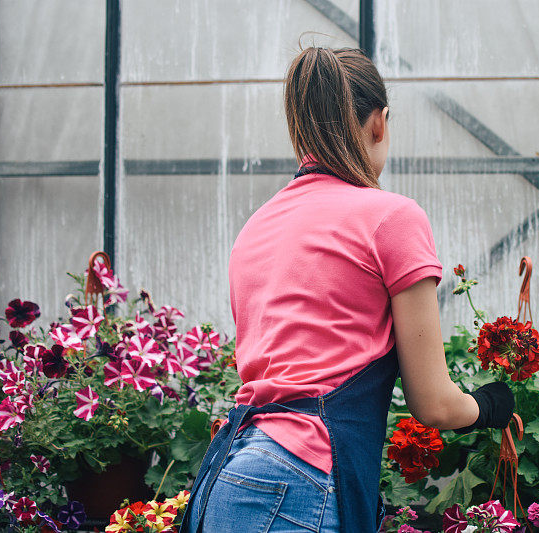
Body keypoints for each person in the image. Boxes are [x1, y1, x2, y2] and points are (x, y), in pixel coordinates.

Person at [180, 46, 515, 533]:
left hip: (226, 479)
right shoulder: (391, 217)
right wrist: (490, 406)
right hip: (297, 484)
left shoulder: (257, 226)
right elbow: (434, 403)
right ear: (379, 124)